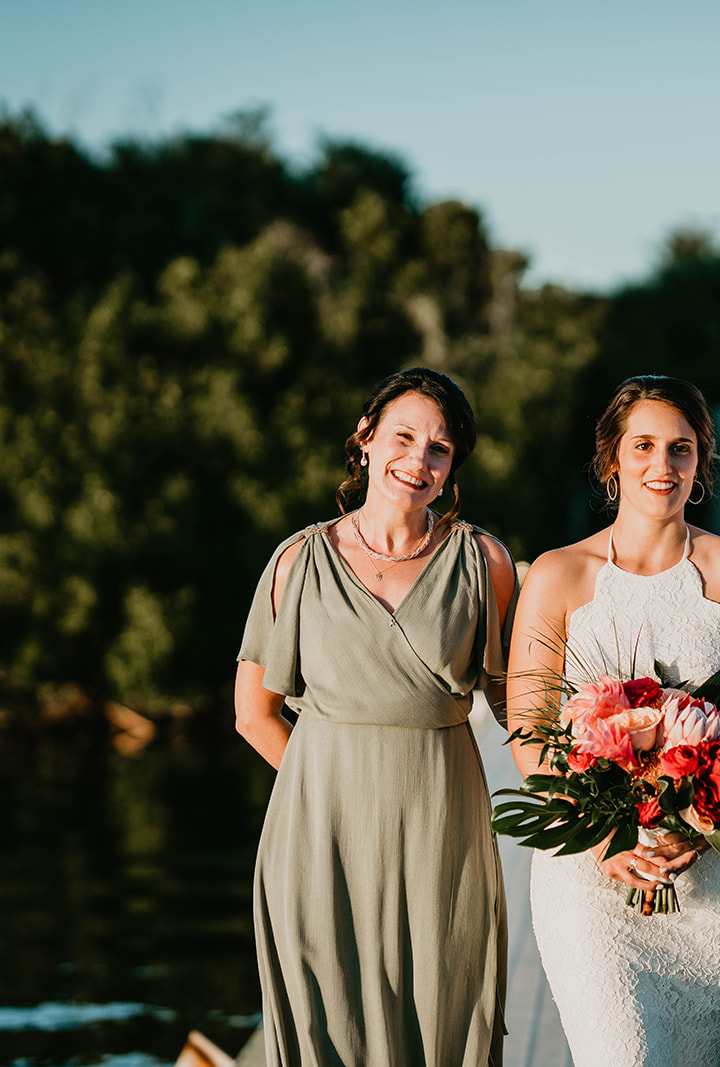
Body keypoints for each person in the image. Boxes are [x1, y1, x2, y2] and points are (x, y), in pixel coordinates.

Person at [507, 376, 720, 1067]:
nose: (661, 465)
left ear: (701, 462)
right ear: (611, 459)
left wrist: (710, 823)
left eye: (681, 448)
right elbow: (528, 730)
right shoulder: (557, 574)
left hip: (715, 885)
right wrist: (608, 837)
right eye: (643, 445)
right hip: (589, 868)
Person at [234, 367, 516, 1067]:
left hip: (442, 834)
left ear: (454, 467)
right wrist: (333, 790)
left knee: (441, 1023)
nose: (417, 460)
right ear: (364, 439)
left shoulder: (483, 560)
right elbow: (253, 713)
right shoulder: (298, 560)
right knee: (328, 1028)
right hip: (319, 837)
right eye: (404, 436)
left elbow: (517, 703)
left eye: (439, 448)